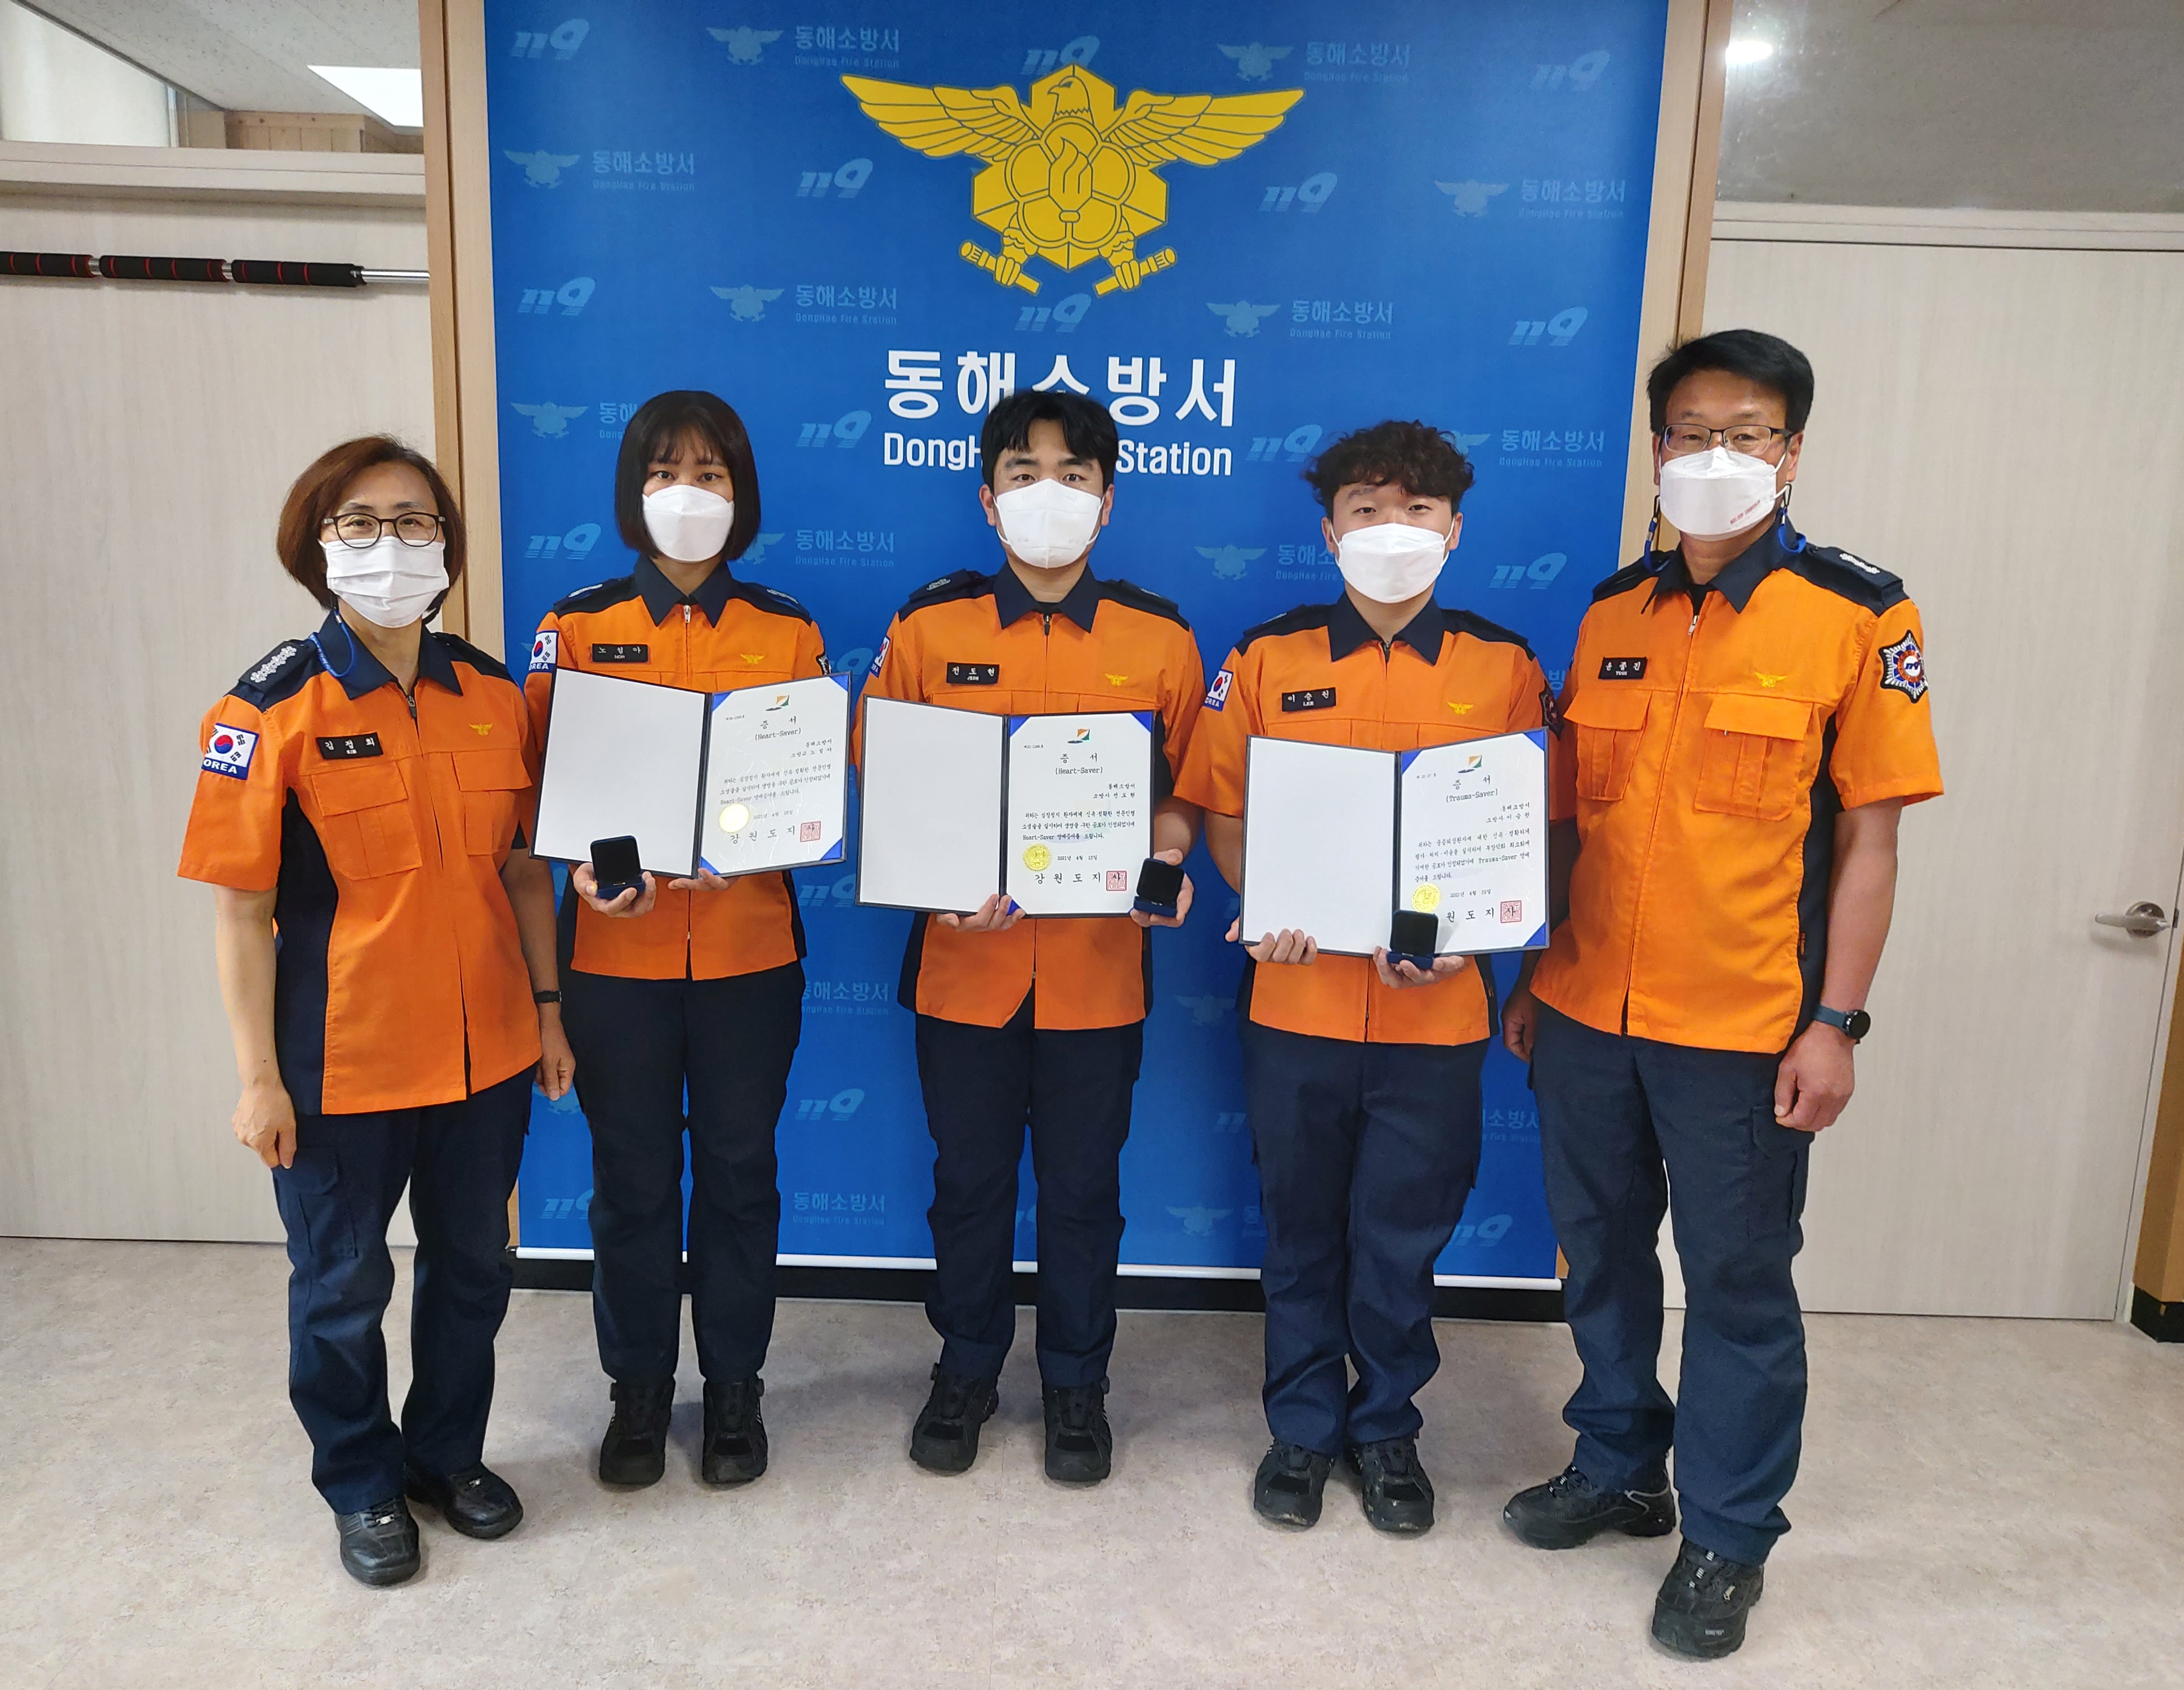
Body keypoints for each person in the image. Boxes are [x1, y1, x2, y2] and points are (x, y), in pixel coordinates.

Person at [1499, 330, 1942, 1659]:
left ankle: (1728, 1537)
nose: (1717, 455)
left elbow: (1870, 844)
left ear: (1791, 450)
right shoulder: (1612, 614)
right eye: (1692, 432)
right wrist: (1536, 975)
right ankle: (1620, 1462)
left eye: (1747, 433)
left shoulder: (1859, 614)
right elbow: (1574, 820)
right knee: (1599, 1255)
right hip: (1588, 1012)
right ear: (1658, 447)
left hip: (1746, 1030)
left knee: (1739, 1287)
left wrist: (1837, 1023)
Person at [180, 436, 574, 1588]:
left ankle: (445, 1456)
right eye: (359, 523)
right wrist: (258, 1077)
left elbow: (522, 875)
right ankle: (360, 1481)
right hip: (339, 1064)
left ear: (446, 546)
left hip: (487, 1054)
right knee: (343, 1291)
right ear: (318, 547)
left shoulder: (493, 694)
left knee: (475, 1270)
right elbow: (241, 912)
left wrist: (549, 1013)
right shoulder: (267, 708)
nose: (390, 543)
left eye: (414, 521)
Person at [1177, 420, 1553, 1534]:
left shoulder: (1504, 667)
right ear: (1329, 530)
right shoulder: (1267, 658)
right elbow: (1223, 813)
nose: (1395, 530)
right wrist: (1267, 906)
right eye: (1368, 509)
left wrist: (1475, 940)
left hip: (1437, 1014)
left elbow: (1520, 839)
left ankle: (1387, 1428)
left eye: (1419, 510)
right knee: (1299, 1229)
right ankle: (1301, 1429)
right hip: (1295, 1001)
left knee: (1401, 1239)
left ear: (1456, 530)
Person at [856, 388, 1205, 1484]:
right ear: (986, 497)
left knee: (1084, 1190)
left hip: (1099, 974)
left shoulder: (1161, 637)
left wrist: (1166, 864)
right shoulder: (928, 628)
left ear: (1107, 500)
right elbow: (890, 784)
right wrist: (932, 888)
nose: (1047, 493)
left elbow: (1184, 794)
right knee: (968, 1183)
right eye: (1023, 472)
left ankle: (1075, 1383)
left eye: (1073, 474)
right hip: (966, 967)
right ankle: (965, 1368)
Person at [523, 391, 824, 1490]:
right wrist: (590, 872)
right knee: (633, 1182)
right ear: (632, 491)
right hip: (616, 964)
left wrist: (768, 837)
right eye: (664, 473)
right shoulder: (575, 626)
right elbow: (542, 790)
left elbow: (803, 793)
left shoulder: (787, 630)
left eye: (710, 474)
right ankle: (639, 1390)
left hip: (750, 956)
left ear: (741, 495)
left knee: (743, 1177)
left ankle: (736, 1387)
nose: (687, 493)